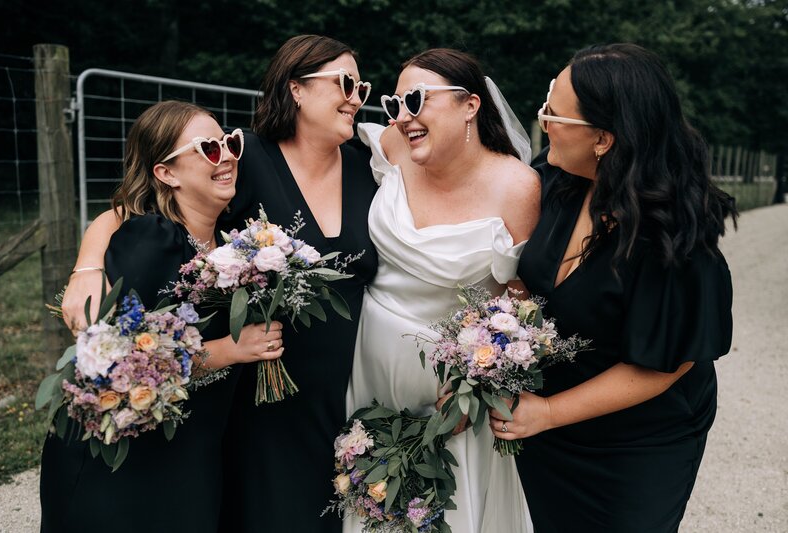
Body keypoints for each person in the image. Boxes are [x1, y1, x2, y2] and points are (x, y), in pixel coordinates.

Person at [58, 35, 378, 532]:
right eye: (344, 82)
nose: (356, 95)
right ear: (296, 89)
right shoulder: (242, 155)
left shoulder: (369, 165)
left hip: (342, 389)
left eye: (361, 84)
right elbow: (129, 209)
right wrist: (87, 267)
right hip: (255, 399)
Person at [489, 43, 737, 532]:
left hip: (636, 441)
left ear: (602, 139)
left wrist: (549, 412)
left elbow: (666, 364)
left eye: (554, 114)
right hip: (547, 428)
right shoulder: (556, 180)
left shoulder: (676, 237)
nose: (542, 122)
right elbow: (523, 277)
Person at [40, 101, 283, 532]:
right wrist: (229, 351)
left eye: (228, 142)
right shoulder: (149, 240)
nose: (226, 155)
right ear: (166, 173)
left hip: (190, 450)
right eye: (207, 148)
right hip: (122, 465)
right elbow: (121, 367)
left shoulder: (234, 242)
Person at [346, 48, 539, 533]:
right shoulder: (394, 145)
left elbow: (519, 299)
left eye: (415, 99)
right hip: (365, 378)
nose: (402, 116)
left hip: (451, 401)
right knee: (368, 504)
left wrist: (476, 382)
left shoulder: (516, 187)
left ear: (470, 105)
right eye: (394, 104)